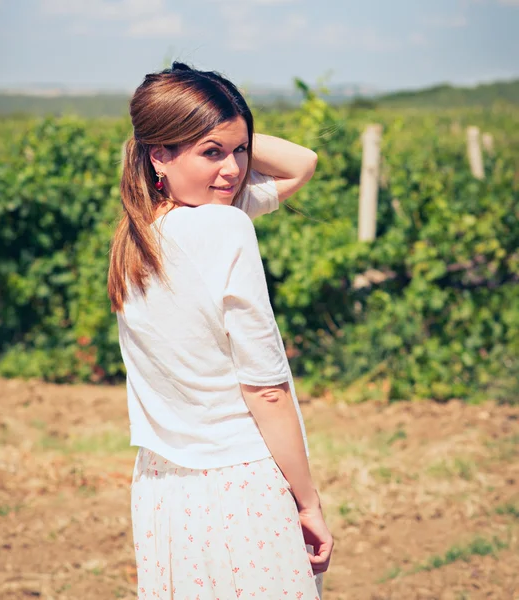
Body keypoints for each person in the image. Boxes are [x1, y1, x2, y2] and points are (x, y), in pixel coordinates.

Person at [108, 61, 333, 599]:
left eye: (240, 150)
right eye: (212, 152)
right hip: (239, 485)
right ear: (158, 153)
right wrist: (307, 501)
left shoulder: (138, 235)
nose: (233, 169)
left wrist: (217, 128)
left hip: (165, 491)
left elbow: (303, 164)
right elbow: (266, 389)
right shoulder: (225, 225)